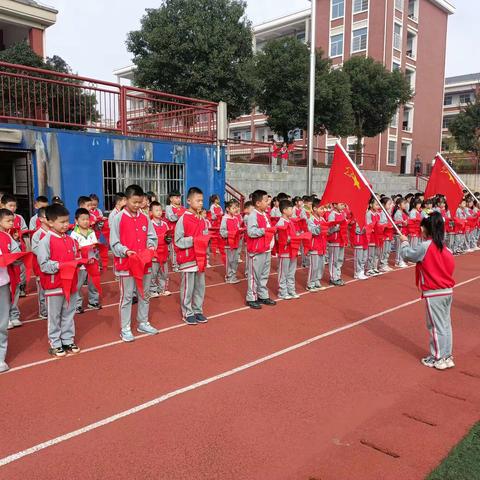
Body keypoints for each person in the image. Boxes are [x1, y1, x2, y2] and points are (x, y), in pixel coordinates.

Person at [400, 212, 455, 370]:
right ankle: (446, 355)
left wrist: (404, 242)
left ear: (426, 229)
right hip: (447, 290)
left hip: (434, 291)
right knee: (445, 325)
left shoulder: (426, 246)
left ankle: (437, 357)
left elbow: (408, 255)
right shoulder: (445, 248)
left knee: (436, 326)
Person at [110, 184, 159, 342]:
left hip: (144, 263)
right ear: (126, 200)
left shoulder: (145, 217)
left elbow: (152, 237)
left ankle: (142, 322)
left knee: (144, 294)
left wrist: (151, 247)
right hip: (127, 264)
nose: (137, 205)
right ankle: (125, 327)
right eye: (134, 202)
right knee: (127, 297)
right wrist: (125, 251)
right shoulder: (118, 218)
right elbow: (114, 242)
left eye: (140, 202)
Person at [37, 204, 82, 357]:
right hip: (54, 284)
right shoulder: (45, 241)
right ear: (50, 222)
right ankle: (55, 343)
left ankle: (68, 339)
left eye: (66, 221)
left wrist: (81, 261)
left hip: (71, 284)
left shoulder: (70, 240)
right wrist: (62, 266)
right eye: (61, 222)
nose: (65, 225)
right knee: (54, 316)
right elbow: (44, 265)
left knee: (69, 313)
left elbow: (75, 258)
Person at [174, 187, 210, 325]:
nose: (201, 203)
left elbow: (205, 236)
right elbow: (177, 241)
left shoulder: (201, 219)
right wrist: (193, 240)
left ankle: (197, 310)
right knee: (188, 288)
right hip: (188, 259)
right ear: (189, 201)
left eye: (202, 200)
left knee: (200, 286)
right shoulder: (183, 219)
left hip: (200, 259)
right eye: (198, 200)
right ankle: (187, 312)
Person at [245, 190, 277, 309]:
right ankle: (251, 297)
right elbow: (251, 232)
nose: (268, 202)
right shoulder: (253, 215)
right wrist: (265, 230)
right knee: (254, 275)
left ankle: (262, 294)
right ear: (258, 203)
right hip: (257, 250)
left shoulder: (265, 214)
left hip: (266, 249)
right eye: (265, 200)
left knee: (264, 274)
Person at [70, 208, 102, 313]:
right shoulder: (74, 234)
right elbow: (73, 249)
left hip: (92, 262)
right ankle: (77, 304)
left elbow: (96, 245)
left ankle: (93, 301)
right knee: (78, 285)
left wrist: (95, 247)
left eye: (87, 219)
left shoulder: (91, 232)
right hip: (81, 264)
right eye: (83, 219)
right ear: (76, 221)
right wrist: (80, 249)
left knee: (93, 283)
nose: (85, 221)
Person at [0, 208, 18, 372]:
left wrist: (17, 257)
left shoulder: (6, 237)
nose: (12, 224)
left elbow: (16, 254)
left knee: (2, 322)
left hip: (3, 283)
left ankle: (0, 357)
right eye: (8, 221)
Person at [275, 199, 300, 300]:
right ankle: (282, 291)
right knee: (283, 272)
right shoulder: (281, 222)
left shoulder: (290, 221)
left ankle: (291, 290)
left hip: (292, 250)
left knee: (291, 272)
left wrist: (297, 236)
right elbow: (278, 237)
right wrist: (288, 239)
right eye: (290, 209)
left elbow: (293, 233)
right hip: (285, 251)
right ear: (284, 210)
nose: (292, 210)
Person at [149, 201, 171, 297]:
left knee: (164, 273)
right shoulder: (150, 224)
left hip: (164, 252)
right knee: (153, 273)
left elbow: (168, 236)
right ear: (151, 212)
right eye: (156, 210)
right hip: (154, 253)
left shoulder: (165, 224)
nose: (159, 212)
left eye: (160, 210)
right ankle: (152, 290)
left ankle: (162, 289)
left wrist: (169, 240)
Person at [31, 207, 49, 319]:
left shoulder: (53, 232)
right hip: (40, 267)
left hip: (51, 265)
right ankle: (43, 310)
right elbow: (35, 249)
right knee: (42, 290)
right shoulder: (37, 234)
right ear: (41, 219)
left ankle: (50, 308)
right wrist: (47, 255)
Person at [307, 198, 328, 289]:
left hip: (322, 245)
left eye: (323, 209)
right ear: (315, 209)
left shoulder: (322, 219)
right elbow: (313, 231)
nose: (323, 210)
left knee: (321, 265)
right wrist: (320, 226)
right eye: (321, 208)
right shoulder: (311, 219)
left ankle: (316, 280)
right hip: (314, 246)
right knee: (314, 266)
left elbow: (326, 231)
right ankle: (310, 283)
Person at [220, 199, 242, 284]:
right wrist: (231, 233)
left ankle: (233, 275)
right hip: (229, 244)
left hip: (236, 242)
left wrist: (240, 231)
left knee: (235, 260)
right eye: (233, 208)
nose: (236, 209)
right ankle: (229, 276)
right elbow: (222, 232)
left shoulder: (236, 218)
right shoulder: (225, 219)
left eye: (237, 207)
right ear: (228, 209)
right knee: (230, 260)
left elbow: (237, 228)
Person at [327, 203, 347, 286]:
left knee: (340, 259)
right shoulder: (332, 215)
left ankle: (338, 275)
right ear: (335, 205)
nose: (343, 206)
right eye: (341, 204)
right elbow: (329, 229)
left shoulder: (343, 213)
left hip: (341, 239)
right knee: (333, 259)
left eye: (344, 204)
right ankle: (333, 277)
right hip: (334, 240)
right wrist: (338, 227)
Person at [165, 191, 185, 272]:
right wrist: (179, 214)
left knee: (181, 248)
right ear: (171, 199)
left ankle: (180, 263)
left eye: (179, 197)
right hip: (172, 232)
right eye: (176, 197)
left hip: (181, 231)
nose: (179, 199)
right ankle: (174, 265)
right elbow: (171, 218)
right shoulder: (168, 207)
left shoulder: (182, 207)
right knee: (174, 249)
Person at [393, 197, 409, 268]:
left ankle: (401, 260)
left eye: (405, 204)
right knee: (399, 247)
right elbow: (399, 223)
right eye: (403, 204)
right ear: (399, 205)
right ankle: (398, 261)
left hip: (404, 231)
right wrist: (404, 222)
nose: (405, 205)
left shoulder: (404, 212)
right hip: (400, 232)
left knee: (402, 247)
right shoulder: (398, 212)